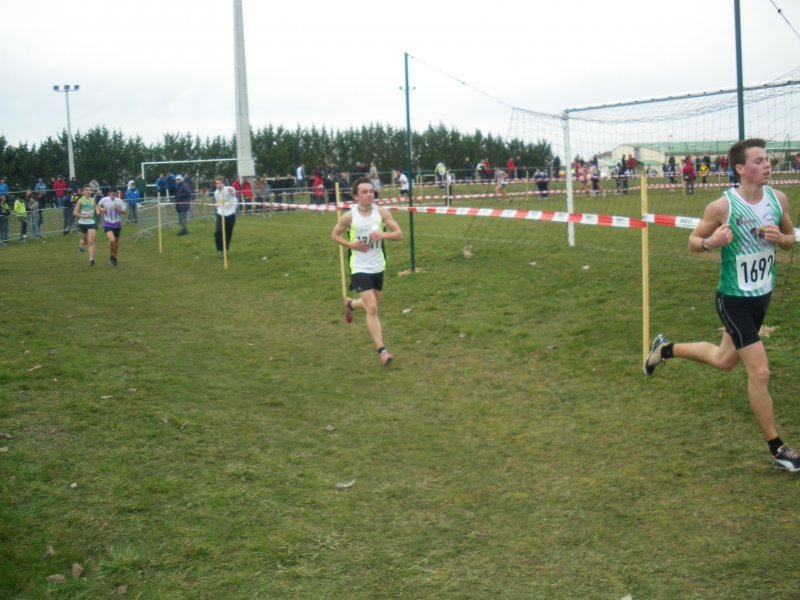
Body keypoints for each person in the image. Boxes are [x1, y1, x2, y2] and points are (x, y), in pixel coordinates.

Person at [644, 138, 799, 473]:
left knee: (724, 360)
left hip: (762, 297)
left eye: (767, 159)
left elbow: (790, 241)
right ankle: (778, 449)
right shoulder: (722, 207)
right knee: (760, 371)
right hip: (733, 299)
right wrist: (712, 242)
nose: (767, 165)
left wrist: (781, 238)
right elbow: (693, 242)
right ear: (740, 168)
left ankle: (665, 349)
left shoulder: (778, 199)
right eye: (758, 161)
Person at [331, 178, 403, 366]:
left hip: (378, 265)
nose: (369, 194)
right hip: (359, 267)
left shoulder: (381, 212)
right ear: (356, 196)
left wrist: (384, 234)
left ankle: (351, 305)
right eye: (364, 192)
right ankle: (382, 351)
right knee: (372, 307)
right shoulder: (349, 216)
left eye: (371, 191)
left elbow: (399, 234)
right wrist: (351, 245)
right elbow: (335, 235)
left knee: (373, 303)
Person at [97, 189, 127, 266]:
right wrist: (101, 209)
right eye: (111, 194)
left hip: (117, 224)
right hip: (107, 223)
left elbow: (125, 212)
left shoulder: (119, 201)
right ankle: (111, 256)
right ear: (109, 194)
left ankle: (114, 258)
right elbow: (97, 205)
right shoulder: (104, 199)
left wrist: (119, 209)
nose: (113, 196)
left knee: (116, 244)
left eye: (114, 195)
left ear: (116, 194)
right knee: (112, 240)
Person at [73, 185, 98, 266]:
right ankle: (81, 243)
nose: (88, 191)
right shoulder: (80, 201)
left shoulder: (93, 200)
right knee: (85, 241)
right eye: (86, 190)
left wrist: (97, 211)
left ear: (91, 192)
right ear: (83, 192)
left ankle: (91, 259)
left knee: (91, 241)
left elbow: (95, 207)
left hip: (91, 223)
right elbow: (75, 212)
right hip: (82, 223)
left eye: (89, 190)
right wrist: (83, 216)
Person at [213, 176, 237, 257]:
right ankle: (220, 249)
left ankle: (224, 250)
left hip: (231, 214)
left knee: (228, 233)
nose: (219, 185)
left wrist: (231, 190)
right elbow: (218, 203)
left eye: (220, 183)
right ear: (215, 185)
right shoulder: (216, 193)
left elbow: (233, 191)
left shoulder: (228, 189)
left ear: (223, 183)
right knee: (218, 232)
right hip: (221, 213)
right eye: (217, 183)